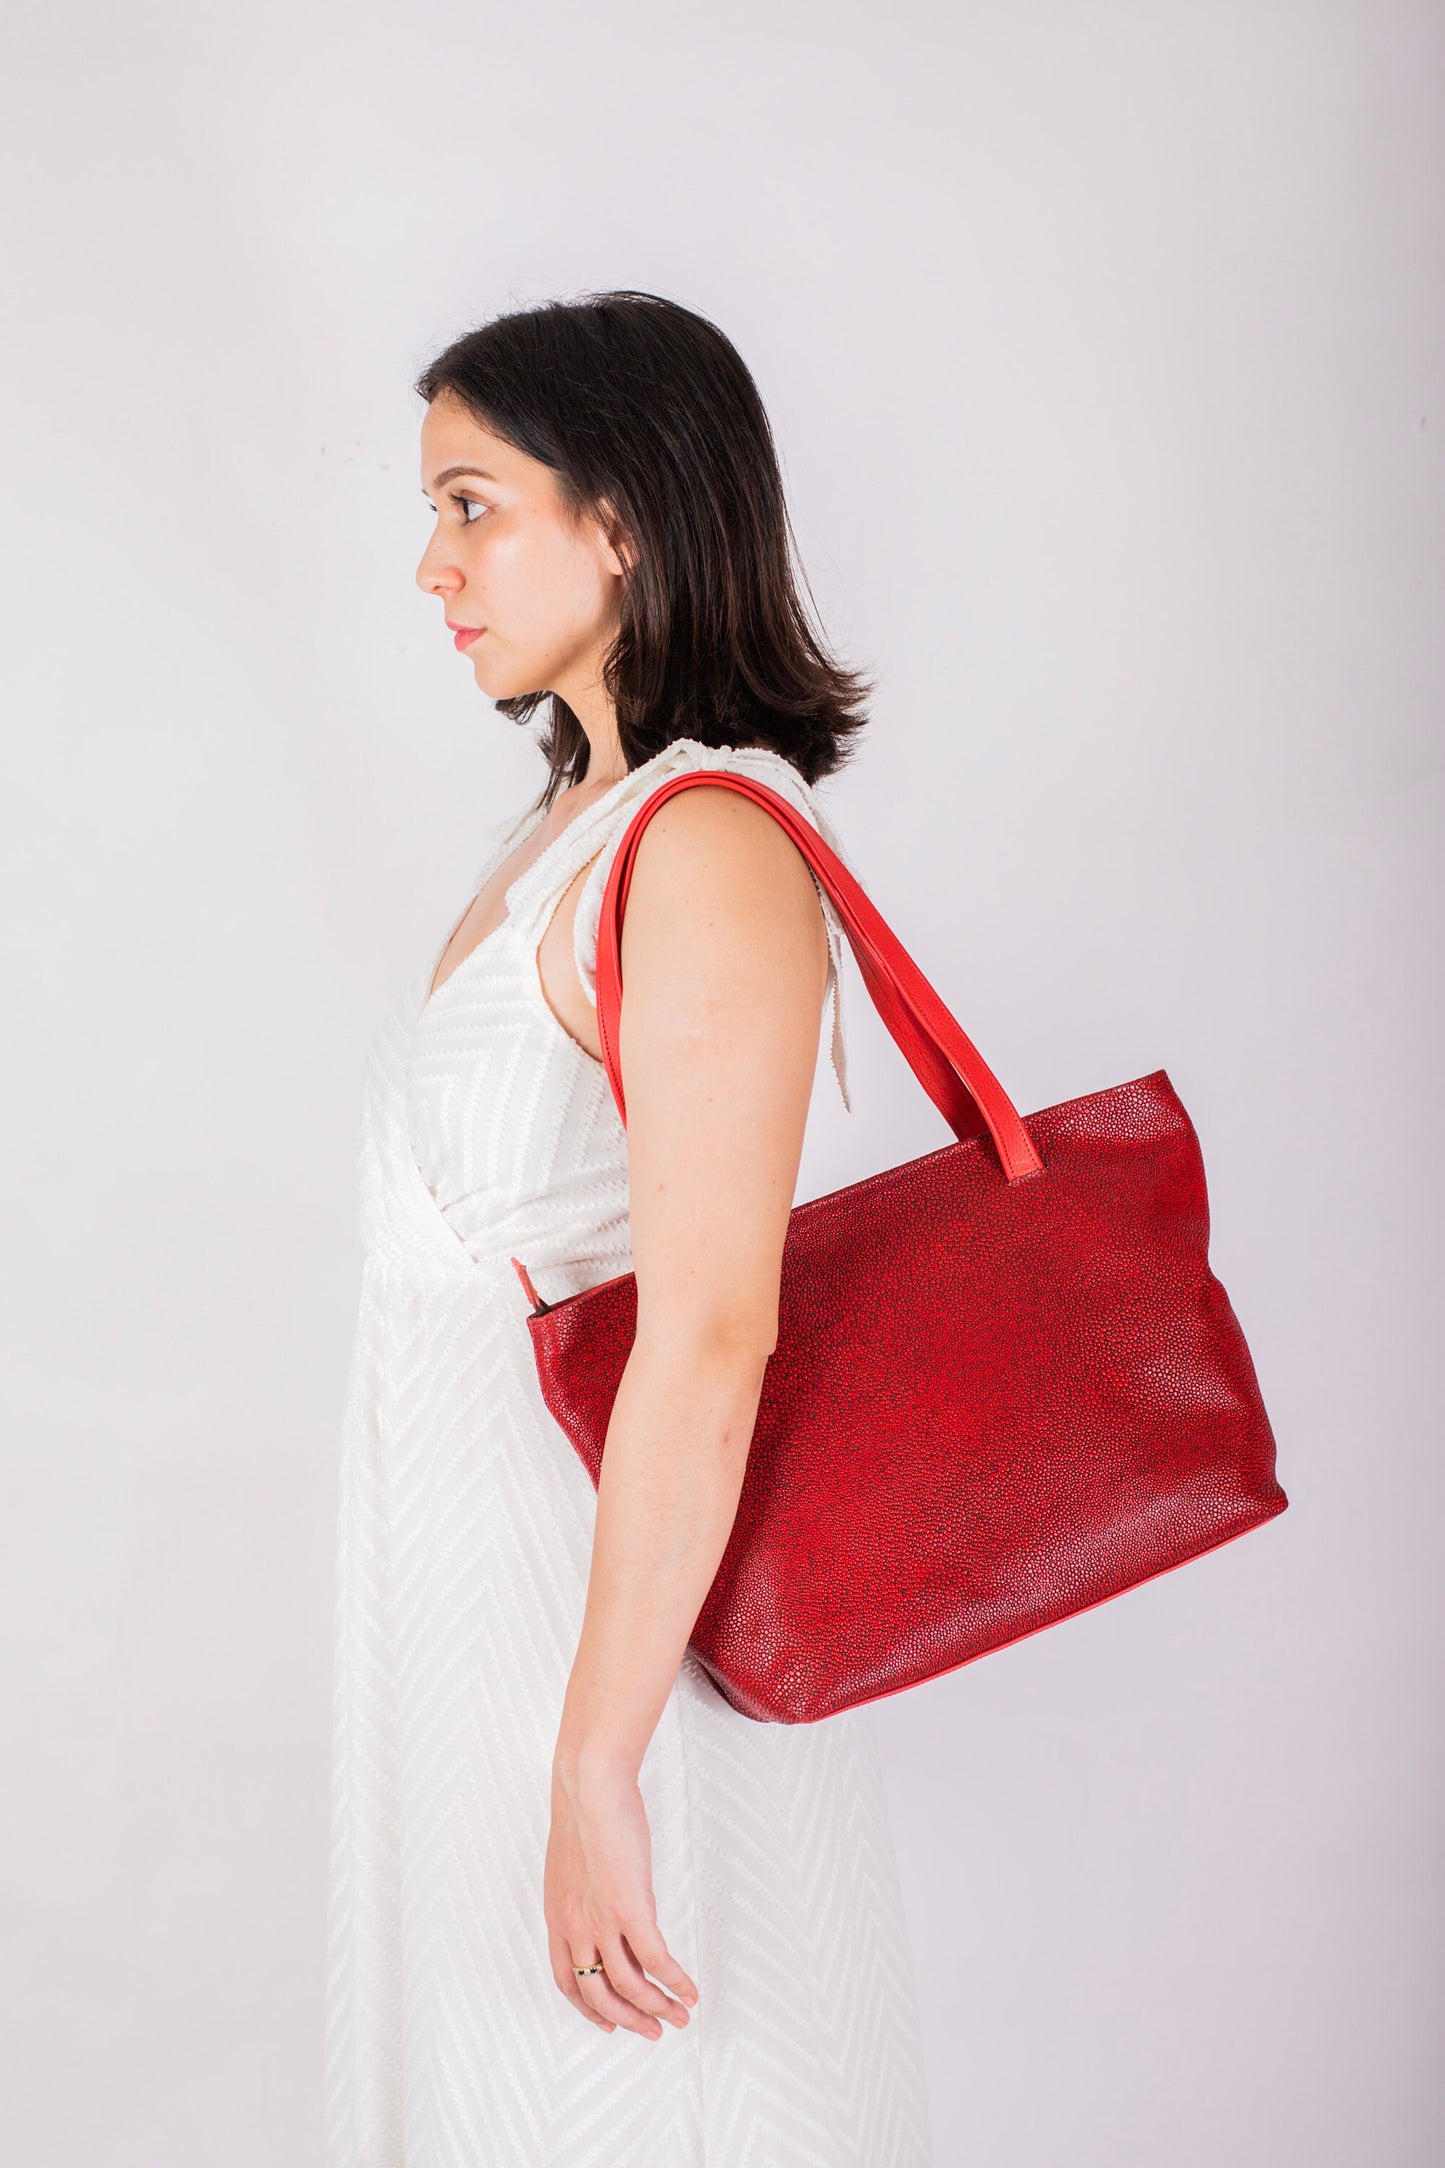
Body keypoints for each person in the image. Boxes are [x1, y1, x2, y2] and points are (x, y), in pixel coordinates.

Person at [324, 290, 933, 2166]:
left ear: (630, 517)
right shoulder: (574, 824)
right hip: (475, 1642)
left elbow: (712, 1326)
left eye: (472, 502)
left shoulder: (708, 845)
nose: (431, 563)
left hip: (607, 1664)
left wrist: (597, 1766)